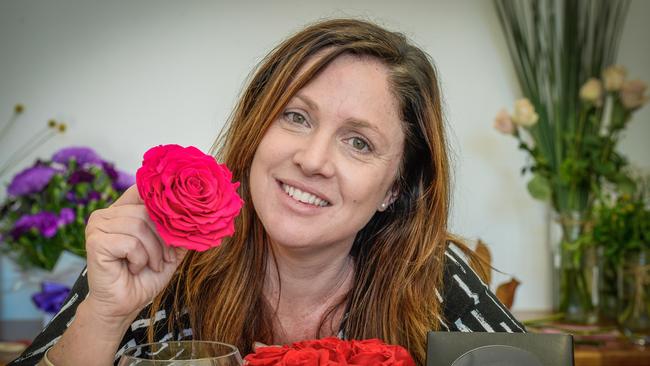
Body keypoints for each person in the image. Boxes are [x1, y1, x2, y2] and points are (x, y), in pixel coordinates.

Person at [10, 18, 524, 366]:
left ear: (396, 187)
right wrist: (106, 313)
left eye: (359, 142)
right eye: (296, 117)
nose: (313, 159)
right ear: (257, 129)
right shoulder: (157, 257)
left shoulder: (433, 279)